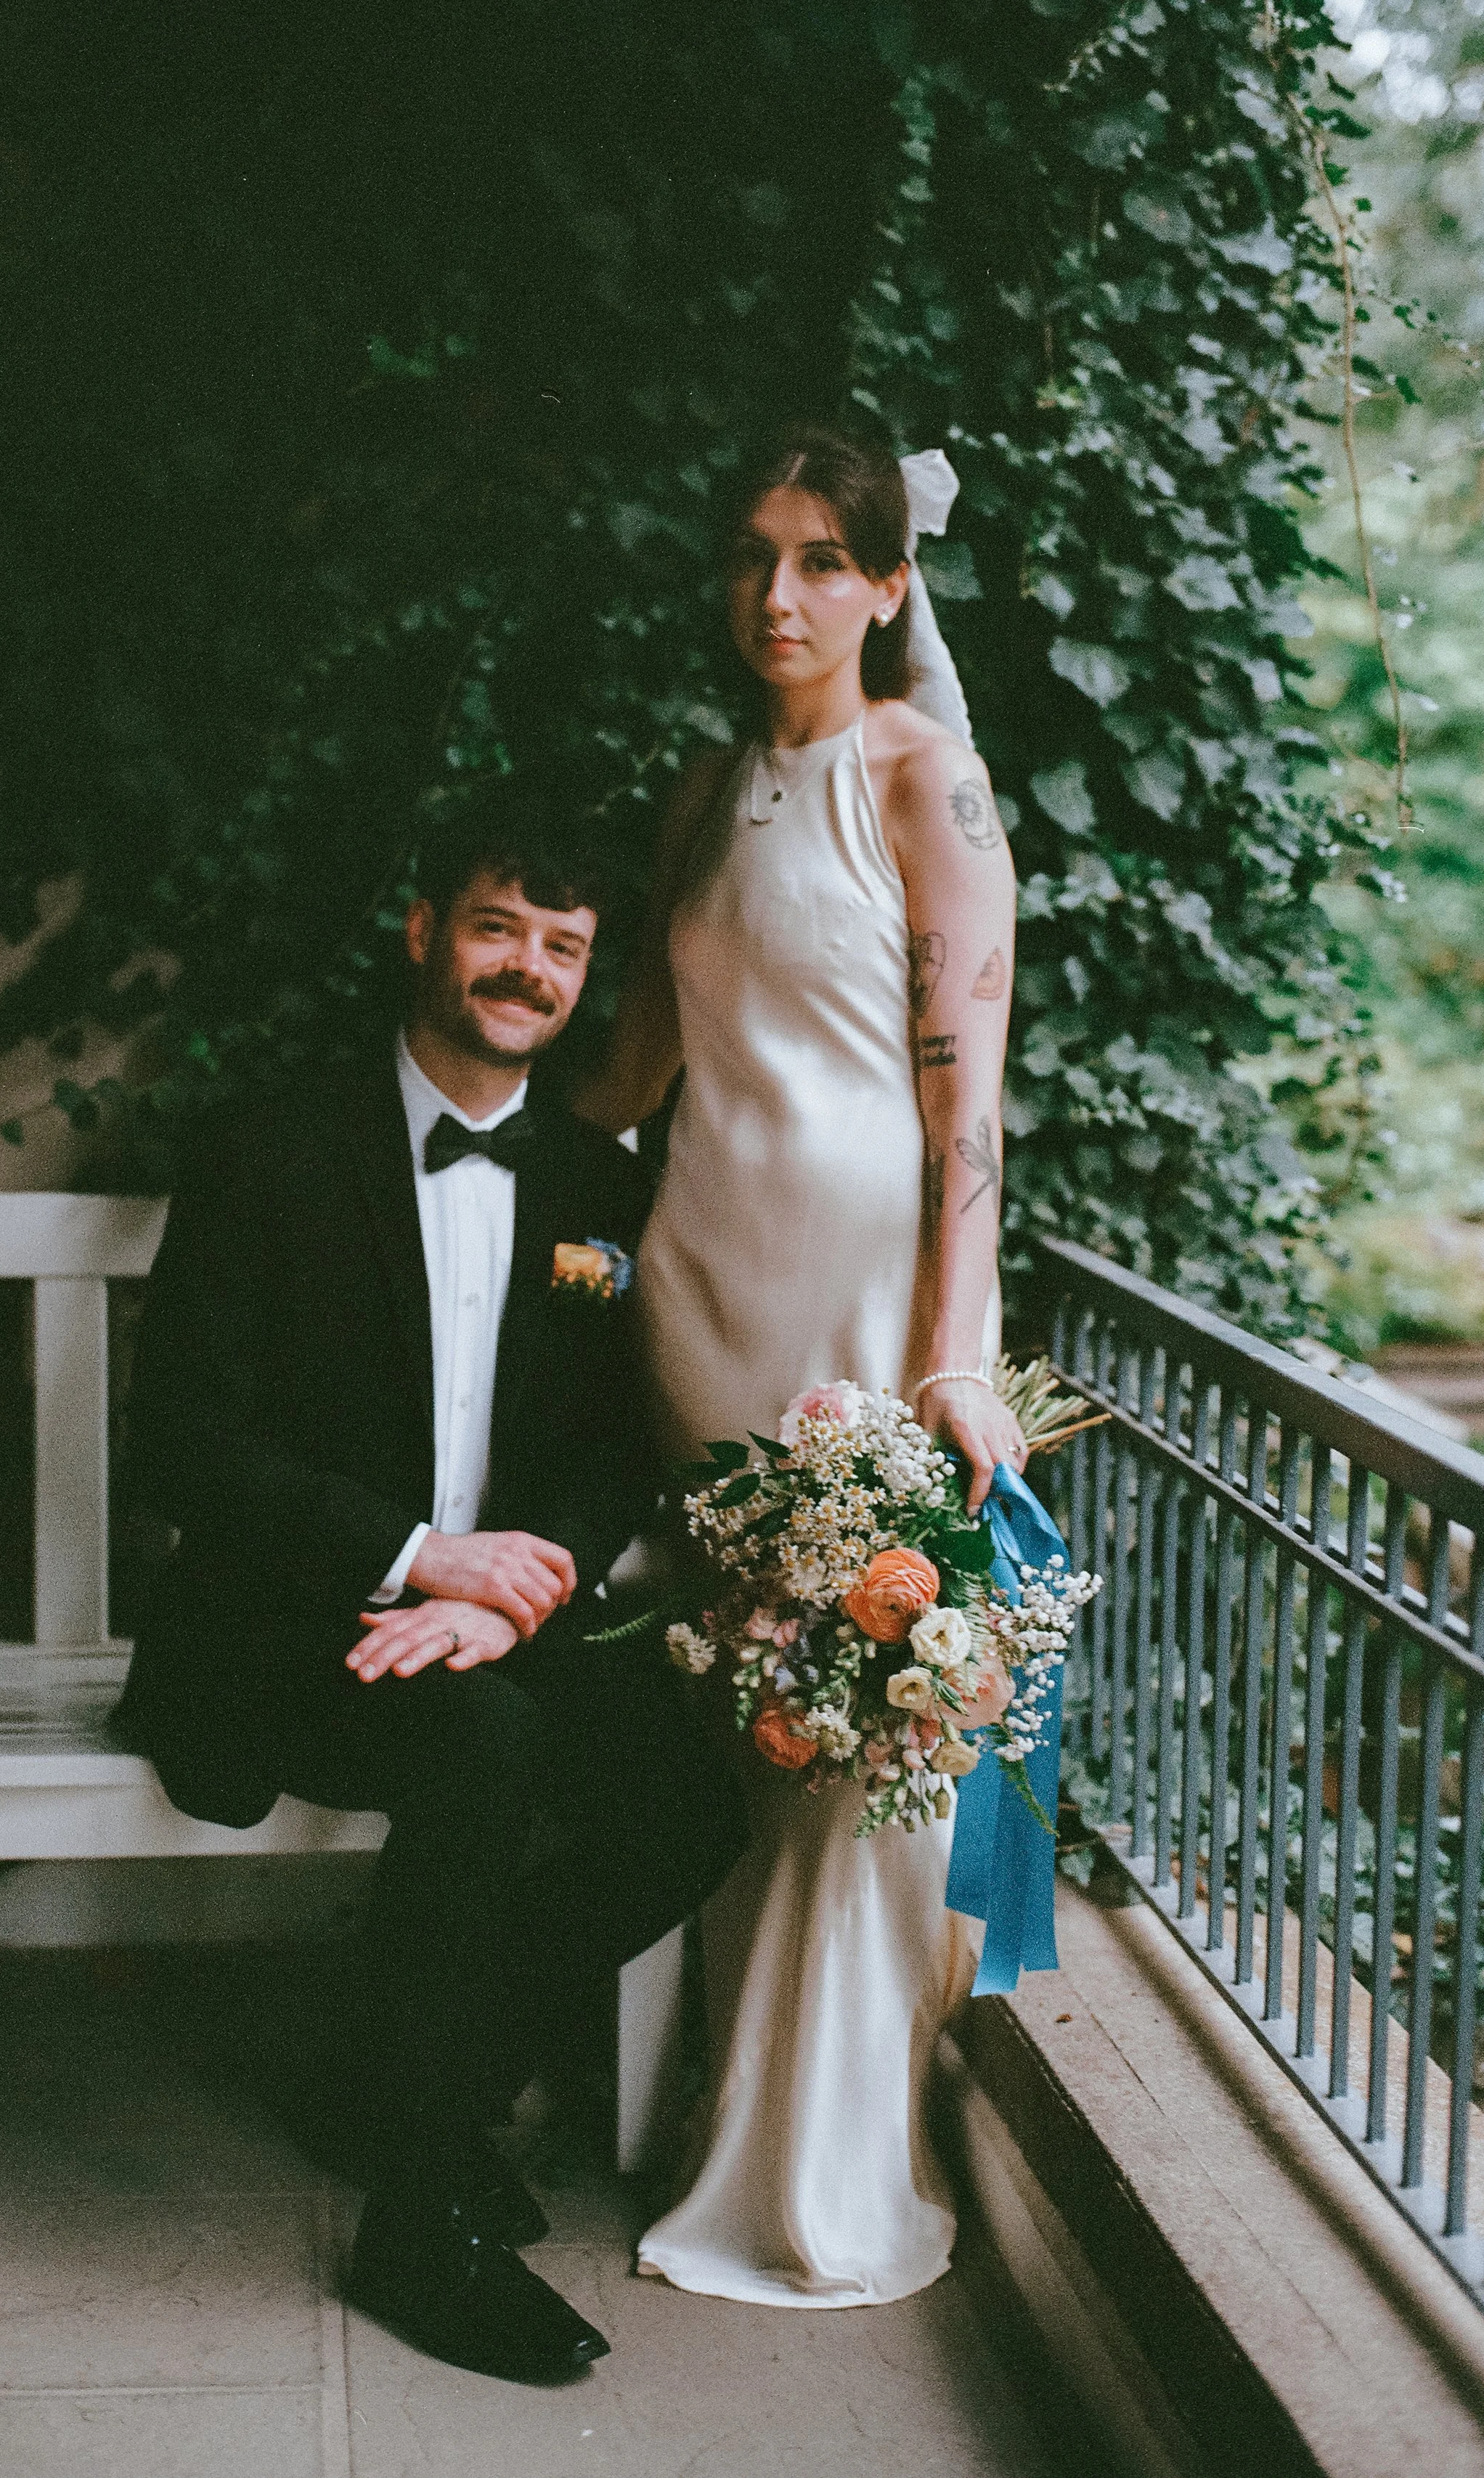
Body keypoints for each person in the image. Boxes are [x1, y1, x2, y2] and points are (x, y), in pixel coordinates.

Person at [112, 802, 744, 2382]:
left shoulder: (596, 1186)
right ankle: (417, 2212)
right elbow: (180, 1442)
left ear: (585, 974)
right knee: (487, 1752)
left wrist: (503, 1594)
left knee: (684, 1792)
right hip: (276, 1621)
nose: (523, 965)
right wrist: (410, 1555)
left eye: (560, 943)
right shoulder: (271, 1142)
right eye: (494, 925)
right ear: (420, 930)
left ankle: (404, 2075)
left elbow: (608, 1450)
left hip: (484, 1624)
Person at [576, 423, 1026, 2307]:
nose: (779, 594)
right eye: (755, 555)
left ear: (885, 582)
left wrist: (956, 1346)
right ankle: (677, 2101)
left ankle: (816, 2158)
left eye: (821, 559)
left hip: (852, 1312)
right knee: (717, 1694)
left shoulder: (920, 777)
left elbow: (966, 1096)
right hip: (694, 1287)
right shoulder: (699, 788)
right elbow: (627, 1080)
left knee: (849, 1717)